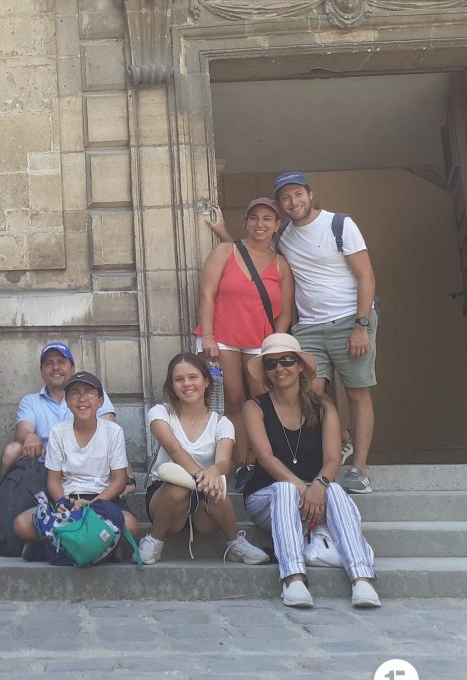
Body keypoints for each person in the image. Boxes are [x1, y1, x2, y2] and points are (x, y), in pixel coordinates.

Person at [241, 333, 381, 609]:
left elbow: (332, 457)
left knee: (337, 490)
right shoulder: (254, 407)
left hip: (311, 492)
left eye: (287, 361)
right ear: (266, 372)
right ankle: (293, 578)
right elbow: (266, 458)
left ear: (300, 366)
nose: (279, 368)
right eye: (271, 364)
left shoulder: (323, 406)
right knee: (284, 489)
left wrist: (319, 485)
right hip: (266, 497)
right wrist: (303, 488)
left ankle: (362, 577)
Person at [273, 172, 378, 494]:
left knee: (357, 393)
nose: (293, 202)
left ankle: (359, 469)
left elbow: (366, 276)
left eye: (298, 195)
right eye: (286, 198)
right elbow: (254, 249)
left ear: (310, 194)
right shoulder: (284, 236)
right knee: (309, 394)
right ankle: (342, 439)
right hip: (309, 326)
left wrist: (362, 325)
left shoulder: (340, 224)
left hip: (350, 320)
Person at [197, 198, 294, 491]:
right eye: (254, 218)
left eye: (267, 219)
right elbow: (206, 294)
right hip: (224, 337)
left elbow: (286, 310)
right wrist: (208, 336)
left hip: (261, 341)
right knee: (235, 399)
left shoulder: (281, 263)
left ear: (277, 226)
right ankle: (243, 463)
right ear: (246, 222)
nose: (260, 224)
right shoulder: (225, 250)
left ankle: (265, 460)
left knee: (263, 401)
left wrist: (277, 344)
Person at [138, 354, 270, 567]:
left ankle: (235, 543)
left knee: (214, 487)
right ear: (172, 385)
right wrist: (204, 474)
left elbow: (224, 463)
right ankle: (154, 540)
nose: (187, 384)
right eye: (179, 379)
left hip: (204, 505)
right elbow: (175, 449)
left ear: (206, 381)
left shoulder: (222, 422)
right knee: (178, 486)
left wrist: (214, 472)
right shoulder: (160, 413)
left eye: (193, 377)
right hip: (166, 501)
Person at [12, 371, 140, 558]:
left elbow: (119, 480)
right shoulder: (58, 432)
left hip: (103, 499)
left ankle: (54, 547)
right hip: (68, 501)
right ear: (67, 400)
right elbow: (54, 480)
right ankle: (100, 549)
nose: (82, 399)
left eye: (88, 392)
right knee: (21, 524)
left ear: (100, 401)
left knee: (131, 524)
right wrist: (61, 501)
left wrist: (95, 505)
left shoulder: (113, 431)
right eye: (74, 393)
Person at [0, 342, 117, 476]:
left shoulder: (94, 395)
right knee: (12, 450)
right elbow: (21, 434)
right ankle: (5, 495)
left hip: (86, 462)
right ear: (41, 371)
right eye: (49, 363)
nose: (55, 367)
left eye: (61, 362)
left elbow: (108, 431)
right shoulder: (30, 401)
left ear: (72, 369)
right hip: (42, 466)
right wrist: (30, 436)